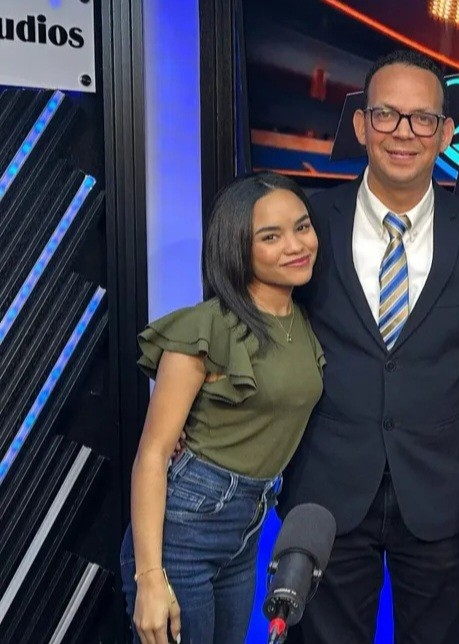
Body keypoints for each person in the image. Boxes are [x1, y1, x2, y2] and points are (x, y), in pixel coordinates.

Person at [277, 49, 459, 644]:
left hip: (442, 491)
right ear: (361, 125)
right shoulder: (308, 223)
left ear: (445, 132)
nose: (403, 132)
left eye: (422, 118)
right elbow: (259, 328)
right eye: (386, 115)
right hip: (326, 490)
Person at [119, 172, 325, 644]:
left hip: (247, 528)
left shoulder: (301, 319)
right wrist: (149, 578)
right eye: (270, 237)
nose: (296, 245)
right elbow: (153, 454)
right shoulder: (206, 328)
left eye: (302, 227)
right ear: (237, 248)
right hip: (184, 530)